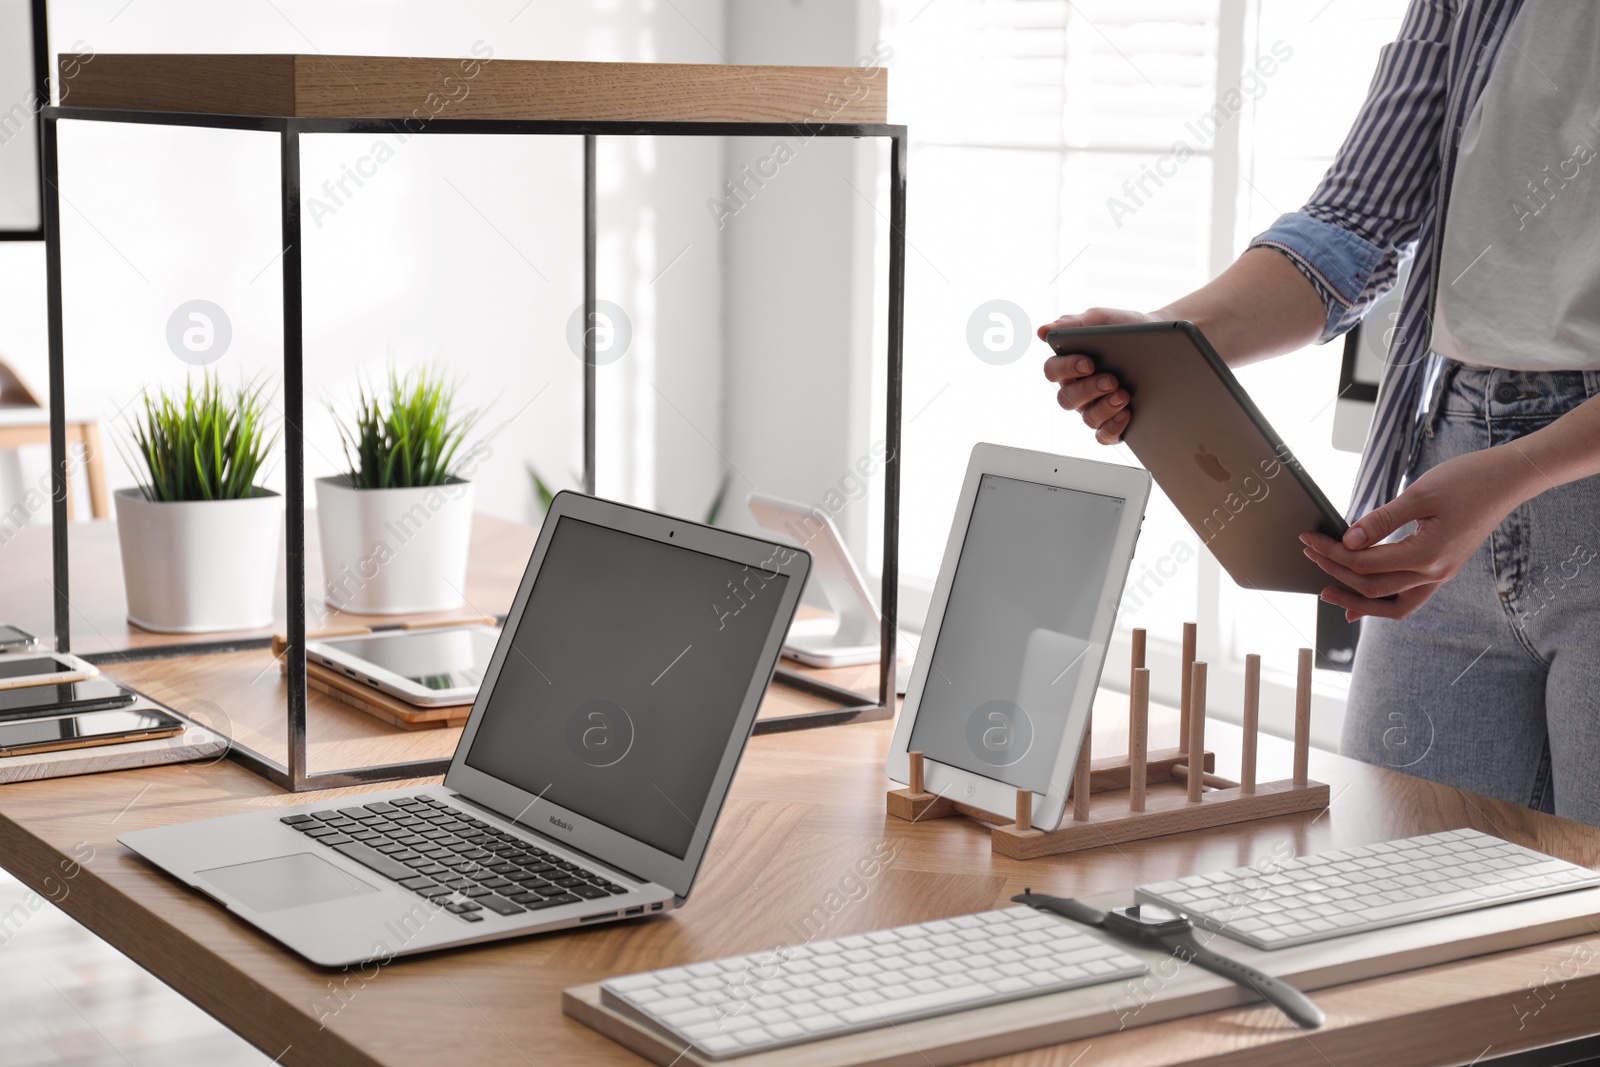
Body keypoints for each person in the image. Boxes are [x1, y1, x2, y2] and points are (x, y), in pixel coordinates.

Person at [1038, 0, 1600, 825]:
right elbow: (1355, 223)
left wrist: (1522, 468)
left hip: (1553, 470)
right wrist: (1175, 343)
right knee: (1394, 901)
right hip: (1445, 463)